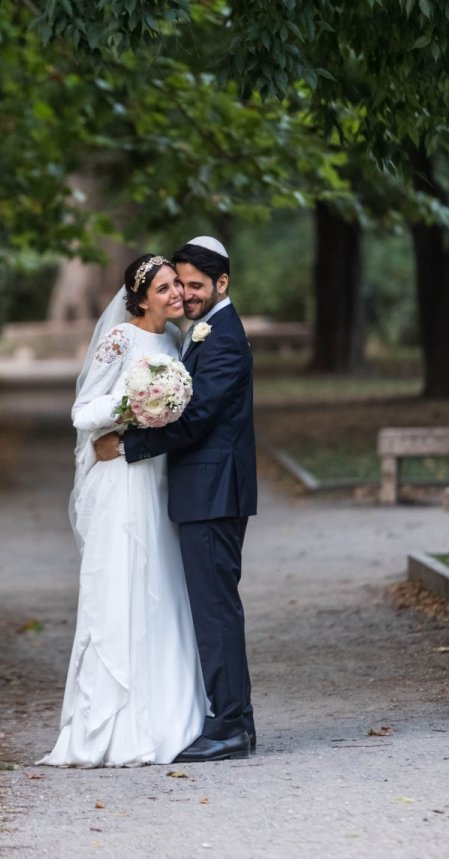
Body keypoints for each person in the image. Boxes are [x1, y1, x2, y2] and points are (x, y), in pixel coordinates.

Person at [38, 254, 208, 768]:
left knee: (160, 584)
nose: (176, 294)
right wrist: (133, 403)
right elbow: (83, 412)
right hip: (120, 481)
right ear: (139, 299)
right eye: (163, 289)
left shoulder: (177, 341)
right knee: (119, 586)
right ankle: (108, 725)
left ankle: (166, 718)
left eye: (177, 285)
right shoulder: (120, 339)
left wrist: (160, 407)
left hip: (156, 477)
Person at [95, 236, 257, 762]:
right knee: (212, 609)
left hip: (214, 493)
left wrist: (129, 445)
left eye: (194, 285)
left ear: (222, 284)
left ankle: (231, 726)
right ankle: (234, 719)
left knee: (215, 611)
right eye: (179, 283)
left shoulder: (225, 337)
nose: (185, 294)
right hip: (202, 491)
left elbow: (198, 418)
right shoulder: (201, 333)